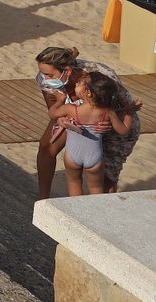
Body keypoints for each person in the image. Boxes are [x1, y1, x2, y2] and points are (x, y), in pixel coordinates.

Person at [33, 46, 143, 199]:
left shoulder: (102, 75)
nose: (45, 79)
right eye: (42, 74)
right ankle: (42, 199)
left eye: (49, 75)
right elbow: (52, 108)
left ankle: (102, 213)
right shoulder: (44, 79)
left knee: (106, 179)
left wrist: (109, 124)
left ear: (68, 71)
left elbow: (126, 105)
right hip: (75, 115)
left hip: (113, 118)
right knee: (47, 147)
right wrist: (60, 119)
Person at [53, 71, 136, 196]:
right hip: (94, 158)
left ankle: (76, 212)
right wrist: (129, 112)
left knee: (73, 182)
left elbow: (52, 114)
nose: (77, 83)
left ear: (88, 93)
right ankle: (96, 213)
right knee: (96, 188)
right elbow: (123, 131)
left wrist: (59, 101)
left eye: (80, 83)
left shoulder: (70, 109)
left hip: (72, 156)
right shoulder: (107, 112)